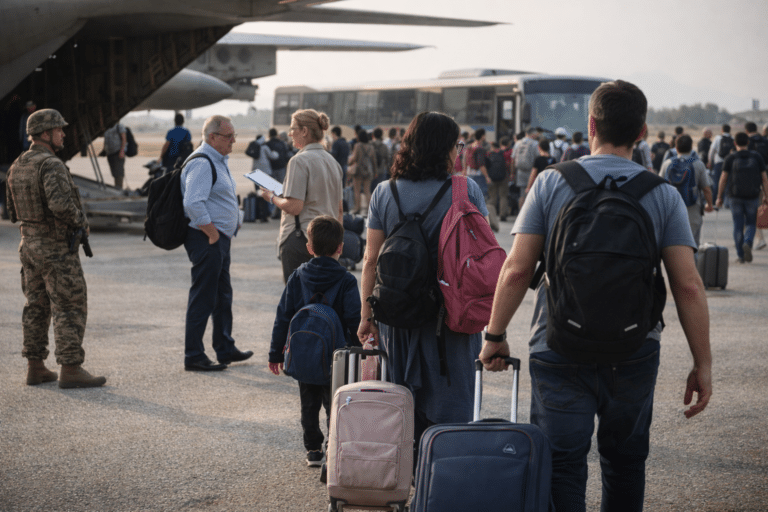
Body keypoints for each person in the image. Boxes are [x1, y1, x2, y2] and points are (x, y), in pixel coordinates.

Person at [479, 80, 712, 512]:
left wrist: (494, 334)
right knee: (624, 464)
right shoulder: (661, 194)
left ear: (591, 125)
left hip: (558, 344)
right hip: (634, 349)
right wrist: (703, 362)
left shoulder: (551, 184)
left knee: (562, 464)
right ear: (642, 131)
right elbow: (688, 286)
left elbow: (516, 270)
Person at [357, 111, 489, 468]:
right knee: (452, 410)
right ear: (445, 148)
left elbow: (370, 260)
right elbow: (481, 255)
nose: (460, 152)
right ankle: (443, 485)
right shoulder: (466, 190)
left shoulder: (385, 192)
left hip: (399, 318)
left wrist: (366, 316)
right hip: (452, 318)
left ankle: (406, 481)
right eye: (457, 145)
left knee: (401, 406)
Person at [5, 109, 107, 388]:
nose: (63, 134)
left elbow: (12, 210)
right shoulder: (50, 165)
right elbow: (61, 205)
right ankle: (71, 367)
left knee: (36, 306)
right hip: (54, 247)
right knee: (69, 305)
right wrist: (81, 222)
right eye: (59, 130)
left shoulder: (18, 164)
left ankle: (35, 367)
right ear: (45, 134)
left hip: (28, 243)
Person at [268, 215, 361, 467]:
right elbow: (354, 319)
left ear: (309, 248)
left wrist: (275, 353)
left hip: (304, 353)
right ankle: (334, 445)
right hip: (337, 357)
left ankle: (313, 450)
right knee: (335, 403)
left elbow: (283, 316)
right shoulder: (347, 280)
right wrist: (360, 352)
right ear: (340, 247)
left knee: (308, 405)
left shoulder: (297, 276)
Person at [181, 115, 252, 371]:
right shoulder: (202, 163)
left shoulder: (218, 160)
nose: (234, 140)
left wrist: (235, 220)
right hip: (206, 239)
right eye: (228, 136)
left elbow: (219, 198)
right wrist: (212, 233)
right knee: (204, 296)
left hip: (219, 239)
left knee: (222, 295)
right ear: (212, 137)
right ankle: (194, 355)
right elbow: (192, 202)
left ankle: (224, 347)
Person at [260, 109, 343, 283]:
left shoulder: (299, 160)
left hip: (301, 239)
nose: (290, 133)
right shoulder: (333, 162)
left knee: (298, 303)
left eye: (293, 128)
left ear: (304, 131)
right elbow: (339, 210)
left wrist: (272, 198)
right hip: (327, 243)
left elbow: (294, 207)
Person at [715, 132, 768, 264]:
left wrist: (719, 197)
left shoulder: (730, 157)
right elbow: (764, 179)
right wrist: (766, 195)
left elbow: (723, 179)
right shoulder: (756, 157)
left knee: (738, 225)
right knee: (751, 223)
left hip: (735, 197)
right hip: (753, 196)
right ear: (748, 143)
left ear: (735, 143)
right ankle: (748, 242)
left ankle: (741, 255)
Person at [660, 134, 714, 248]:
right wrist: (709, 204)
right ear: (691, 147)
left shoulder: (667, 164)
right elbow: (706, 188)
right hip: (692, 208)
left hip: (670, 209)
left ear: (676, 147)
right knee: (692, 244)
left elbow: (659, 187)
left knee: (673, 244)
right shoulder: (698, 164)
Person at [348, 130, 376, 214]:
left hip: (359, 171)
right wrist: (375, 171)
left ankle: (357, 208)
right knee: (367, 191)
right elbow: (373, 160)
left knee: (357, 191)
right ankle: (369, 209)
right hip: (368, 171)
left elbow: (354, 158)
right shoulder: (371, 147)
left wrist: (349, 162)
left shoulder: (358, 146)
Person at [511, 127, 539, 209]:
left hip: (520, 171)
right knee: (531, 193)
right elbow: (538, 158)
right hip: (531, 171)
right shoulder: (535, 143)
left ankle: (521, 214)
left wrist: (512, 172)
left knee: (522, 194)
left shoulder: (518, 143)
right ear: (533, 134)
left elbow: (512, 159)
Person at [708, 124, 734, 203]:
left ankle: (715, 200)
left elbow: (712, 150)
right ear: (730, 130)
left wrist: (709, 161)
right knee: (729, 182)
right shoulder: (732, 138)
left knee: (717, 181)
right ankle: (727, 202)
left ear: (722, 130)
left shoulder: (718, 138)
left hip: (719, 162)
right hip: (730, 163)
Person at [102, 122, 127, 189]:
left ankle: (119, 188)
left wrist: (122, 151)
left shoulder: (119, 126)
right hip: (110, 153)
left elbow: (124, 139)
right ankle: (117, 187)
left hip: (118, 153)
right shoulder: (106, 127)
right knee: (114, 172)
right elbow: (106, 140)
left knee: (119, 173)